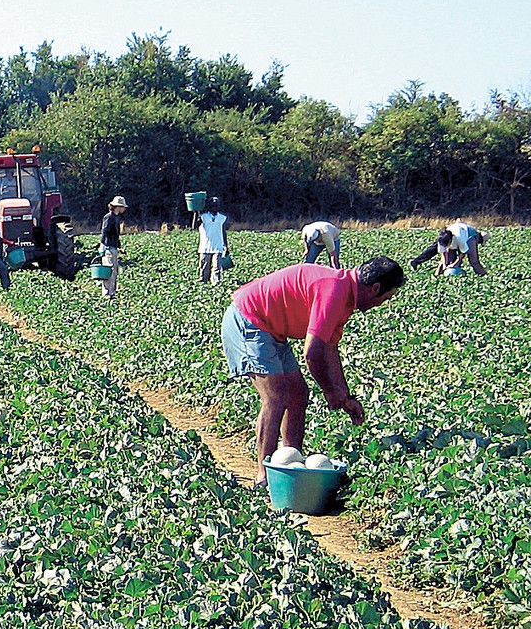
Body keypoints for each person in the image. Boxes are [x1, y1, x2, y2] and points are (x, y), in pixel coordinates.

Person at [221, 257, 406, 486]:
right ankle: (264, 477)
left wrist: (345, 396)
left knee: (298, 394)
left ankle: (291, 467)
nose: (382, 303)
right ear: (375, 288)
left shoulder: (345, 296)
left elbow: (329, 350)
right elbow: (312, 353)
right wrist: (330, 391)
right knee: (275, 397)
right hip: (249, 319)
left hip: (271, 328)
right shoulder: (334, 291)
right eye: (385, 298)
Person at [410, 222, 488, 276]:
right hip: (455, 231)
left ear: (450, 241)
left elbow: (462, 254)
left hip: (467, 236)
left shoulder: (461, 239)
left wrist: (454, 264)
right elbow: (443, 254)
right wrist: (445, 265)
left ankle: (483, 275)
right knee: (448, 260)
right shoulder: (442, 239)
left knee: (473, 261)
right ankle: (437, 276)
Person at [193, 197, 231, 285]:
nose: (214, 207)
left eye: (216, 205)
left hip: (218, 246)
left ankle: (216, 283)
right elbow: (194, 227)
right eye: (213, 205)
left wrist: (226, 246)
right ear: (209, 206)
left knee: (216, 267)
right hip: (205, 247)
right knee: (204, 267)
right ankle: (203, 282)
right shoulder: (203, 217)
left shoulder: (222, 218)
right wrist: (195, 214)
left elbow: (223, 232)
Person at [99, 195, 128, 298]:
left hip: (113, 247)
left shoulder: (116, 218)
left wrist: (119, 246)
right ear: (117, 206)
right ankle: (107, 293)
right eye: (123, 206)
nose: (124, 209)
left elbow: (115, 234)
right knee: (109, 270)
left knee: (114, 271)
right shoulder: (109, 217)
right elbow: (105, 232)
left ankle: (112, 292)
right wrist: (102, 246)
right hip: (108, 247)